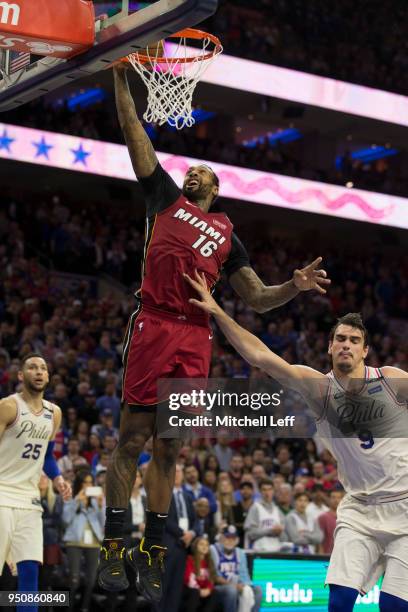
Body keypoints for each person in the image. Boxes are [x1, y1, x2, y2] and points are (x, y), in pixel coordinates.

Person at [98, 62, 330, 601]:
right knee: (131, 439)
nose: (194, 172)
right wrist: (119, 81)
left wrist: (293, 286)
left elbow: (257, 299)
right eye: (191, 168)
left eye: (203, 170)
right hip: (154, 324)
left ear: (217, 187)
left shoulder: (228, 234)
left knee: (171, 449)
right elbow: (135, 132)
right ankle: (114, 544)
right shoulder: (163, 199)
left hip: (195, 337)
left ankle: (153, 554)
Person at [183, 272, 408, 612]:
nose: (346, 344)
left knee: (393, 605)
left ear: (365, 350)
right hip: (360, 508)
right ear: (330, 346)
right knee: (340, 599)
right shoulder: (319, 389)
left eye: (354, 340)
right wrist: (216, 310)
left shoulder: (391, 381)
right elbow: (260, 356)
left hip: (405, 507)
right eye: (340, 339)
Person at [0, 354, 72, 612]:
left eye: (43, 368)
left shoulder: (54, 413)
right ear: (21, 376)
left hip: (30, 500)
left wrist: (58, 478)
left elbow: (47, 454)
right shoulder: (8, 406)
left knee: (30, 571)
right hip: (2, 495)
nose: (38, 371)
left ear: (48, 376)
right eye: (32, 367)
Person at [62, 470, 105, 612]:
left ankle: (85, 607)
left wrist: (100, 506)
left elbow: (103, 523)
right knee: (74, 580)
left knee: (91, 580)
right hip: (74, 542)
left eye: (90, 482)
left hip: (93, 542)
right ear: (79, 484)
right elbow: (65, 520)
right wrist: (76, 501)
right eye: (85, 482)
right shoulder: (71, 497)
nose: (87, 485)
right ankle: (70, 608)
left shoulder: (96, 499)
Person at [210, 525, 262, 612]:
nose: (230, 541)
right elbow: (215, 576)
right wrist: (233, 585)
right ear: (221, 538)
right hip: (219, 587)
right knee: (232, 590)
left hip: (237, 586)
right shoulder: (213, 550)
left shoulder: (240, 552)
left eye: (233, 538)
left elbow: (244, 574)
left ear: (237, 540)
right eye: (227, 538)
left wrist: (245, 586)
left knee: (258, 590)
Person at [243, 478, 286, 551]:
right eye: (264, 490)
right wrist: (270, 531)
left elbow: (284, 538)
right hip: (259, 550)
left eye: (269, 489)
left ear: (273, 491)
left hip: (276, 550)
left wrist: (279, 533)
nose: (267, 493)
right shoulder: (255, 508)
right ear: (260, 492)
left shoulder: (278, 511)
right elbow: (250, 534)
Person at [183, 536, 218, 612]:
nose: (204, 547)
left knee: (214, 592)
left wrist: (208, 589)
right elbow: (188, 579)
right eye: (201, 544)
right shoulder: (190, 559)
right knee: (194, 592)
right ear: (195, 546)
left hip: (202, 590)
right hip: (190, 589)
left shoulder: (209, 562)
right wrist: (199, 590)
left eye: (206, 545)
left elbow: (211, 579)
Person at [318, 489, 344, 554]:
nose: (336, 500)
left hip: (342, 555)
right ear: (329, 499)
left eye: (339, 497)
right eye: (333, 497)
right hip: (327, 555)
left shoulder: (346, 517)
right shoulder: (323, 517)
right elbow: (319, 541)